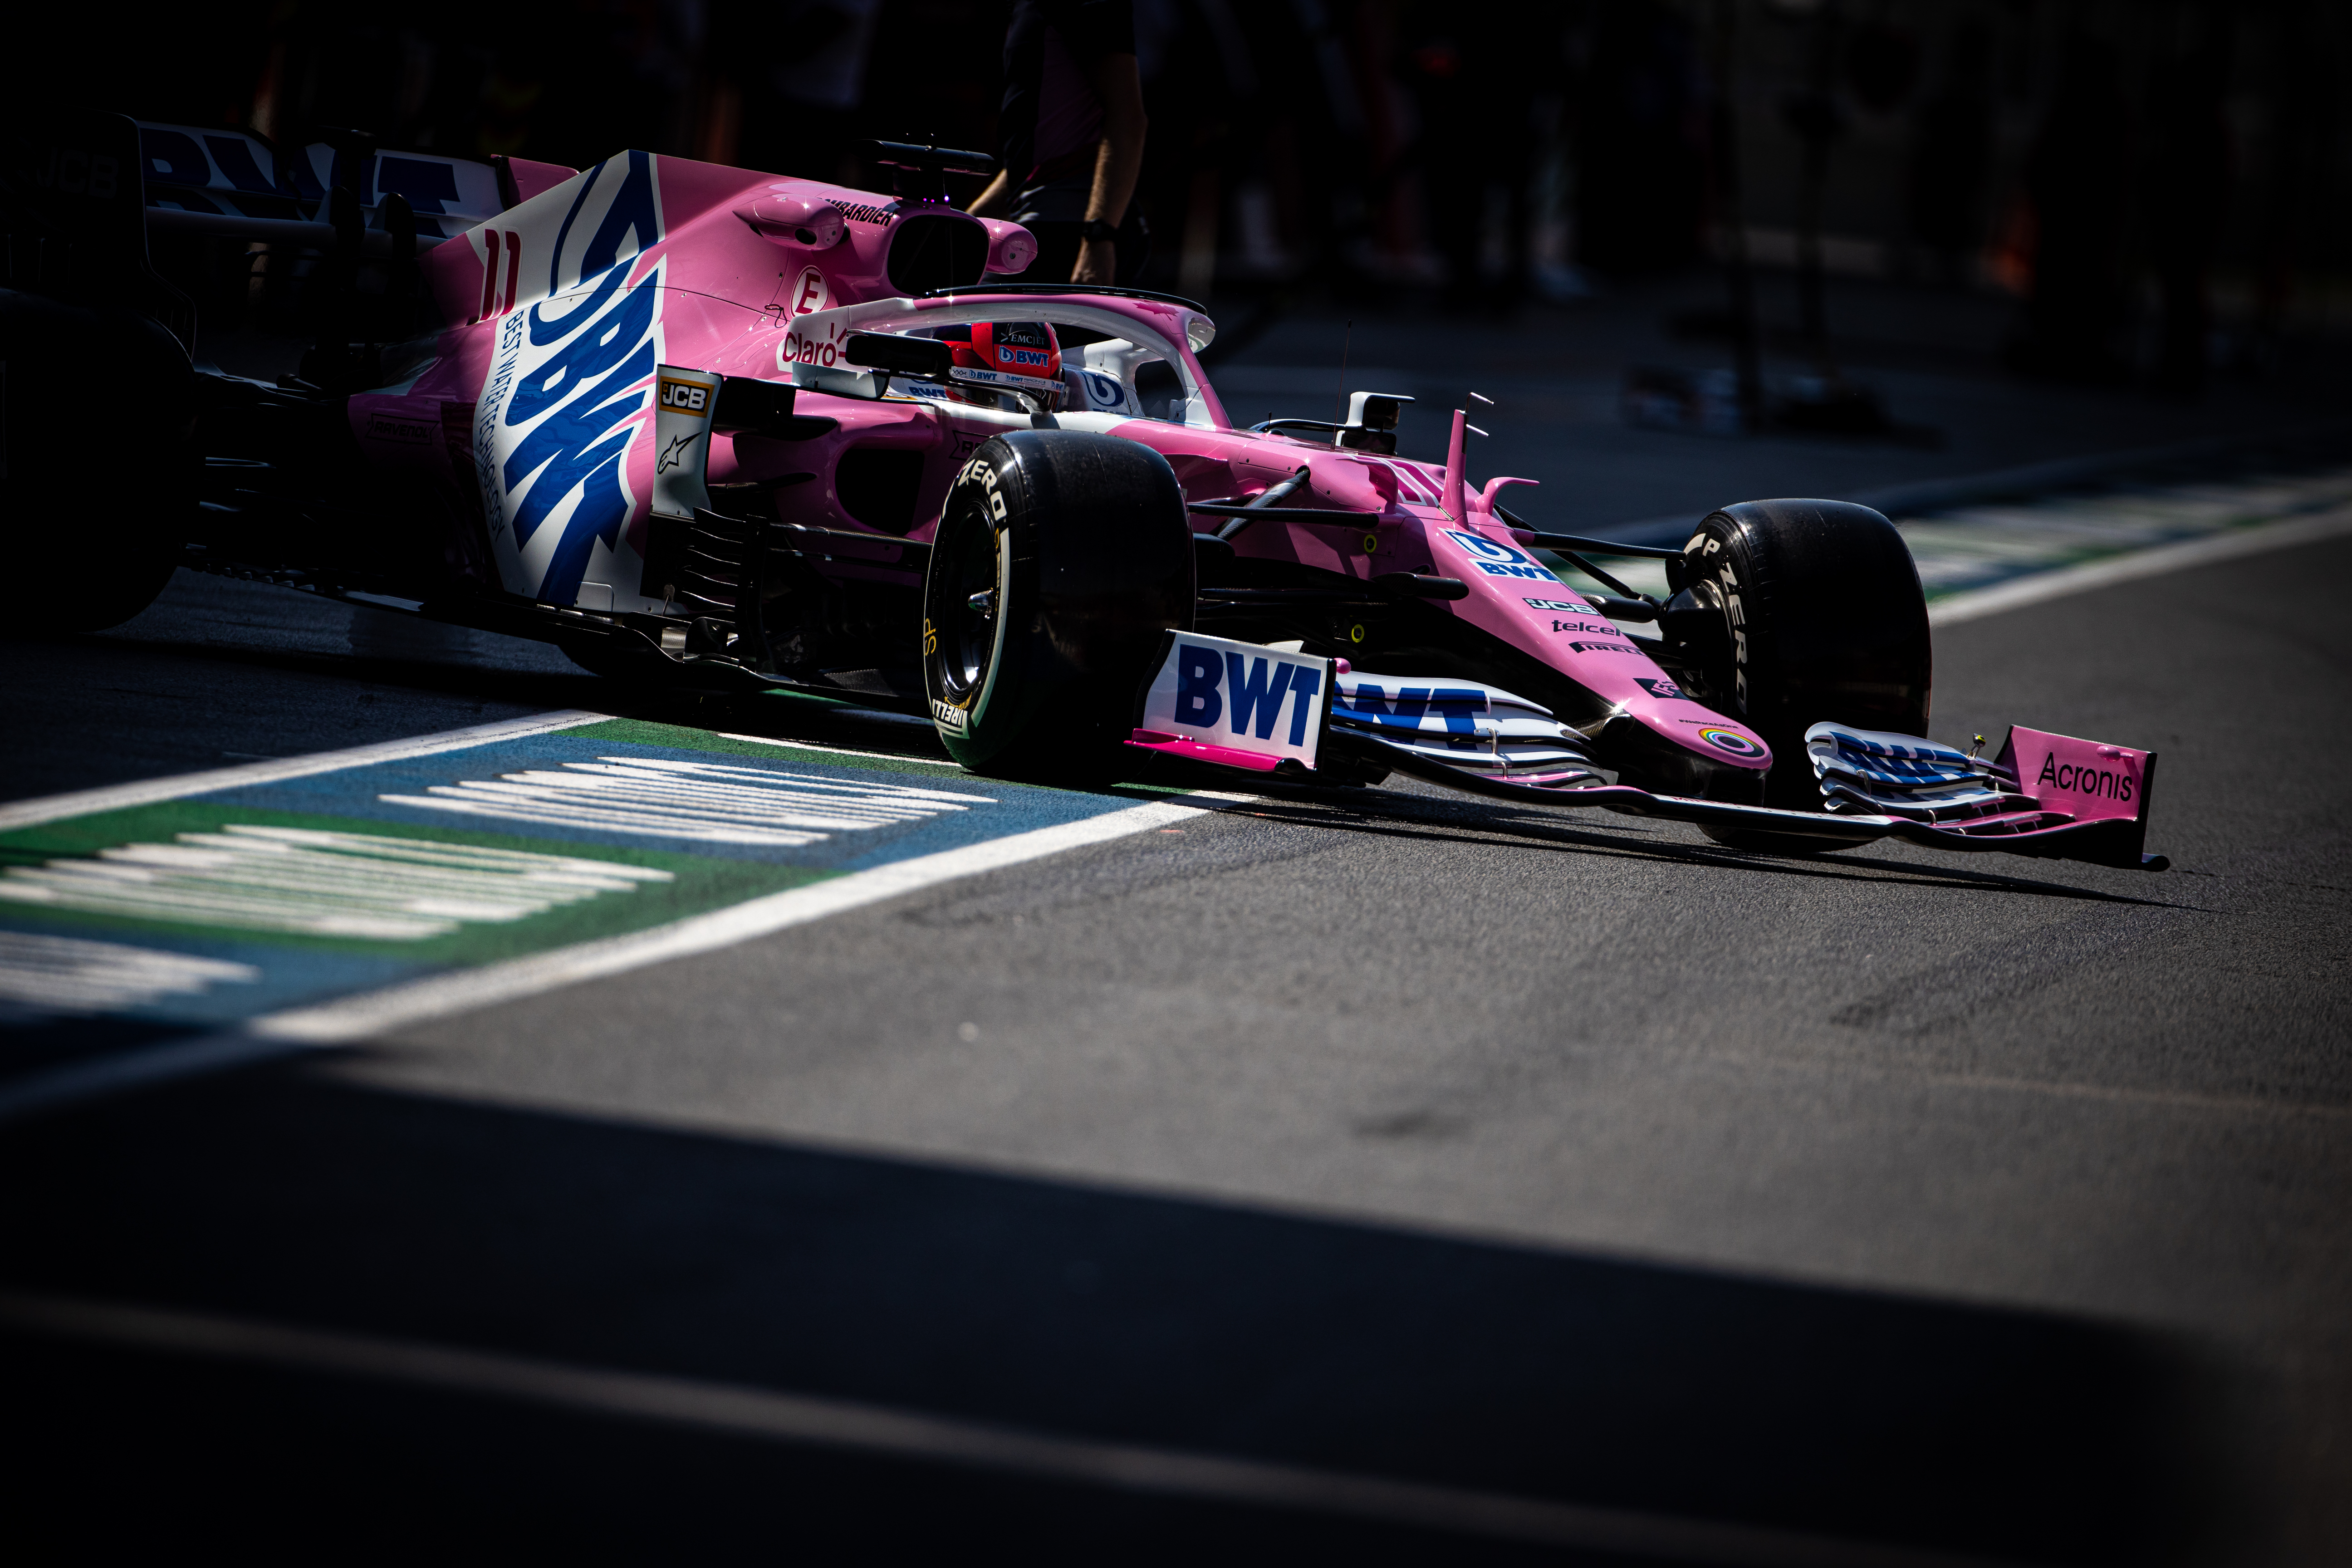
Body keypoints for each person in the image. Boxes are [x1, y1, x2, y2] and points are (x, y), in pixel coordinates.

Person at [966, 0, 1150, 285]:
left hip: (1067, 235)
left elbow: (1128, 118)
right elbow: (1034, 159)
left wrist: (1098, 239)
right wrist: (968, 224)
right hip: (1039, 226)